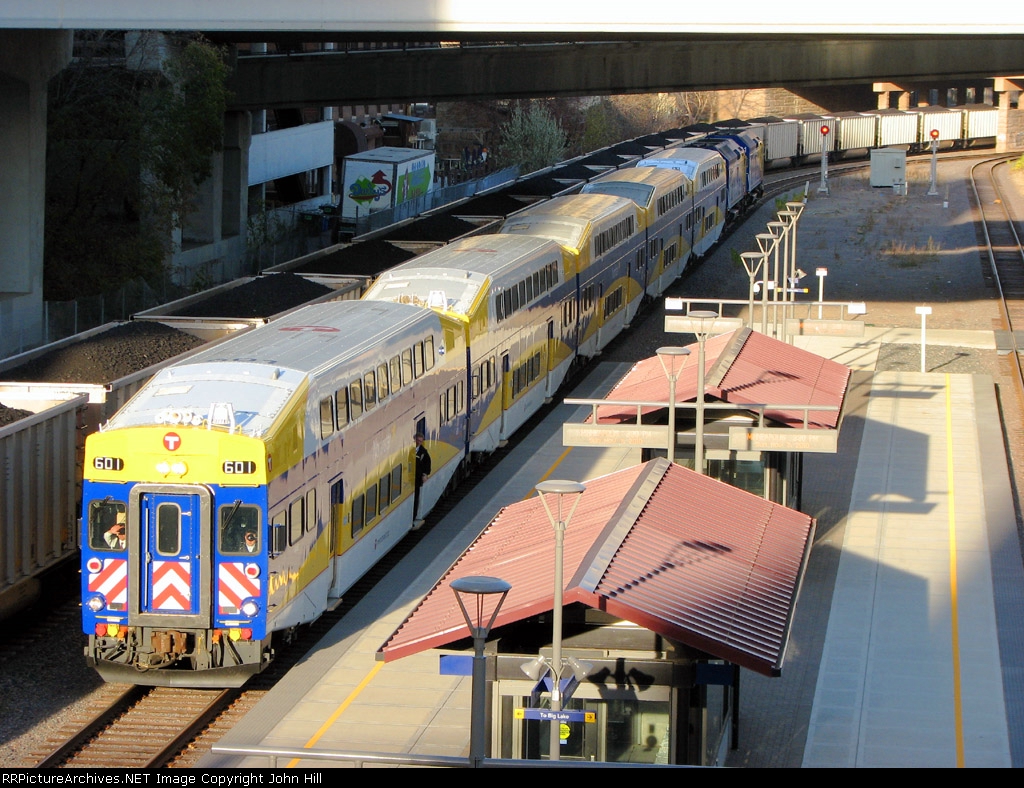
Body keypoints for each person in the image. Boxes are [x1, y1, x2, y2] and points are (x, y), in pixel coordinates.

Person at [413, 432, 431, 528]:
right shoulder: (411, 449)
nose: (419, 443)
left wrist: (425, 474)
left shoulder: (423, 452)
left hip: (417, 478)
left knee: (416, 498)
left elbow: (427, 464)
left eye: (421, 441)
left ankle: (414, 516)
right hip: (410, 478)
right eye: (417, 441)